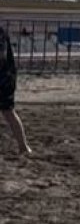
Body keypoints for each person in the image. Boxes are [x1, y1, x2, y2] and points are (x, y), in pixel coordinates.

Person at [0, 25, 32, 156]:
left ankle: (23, 147)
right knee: (9, 113)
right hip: (5, 78)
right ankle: (23, 147)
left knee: (8, 112)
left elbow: (1, 57)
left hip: (3, 79)